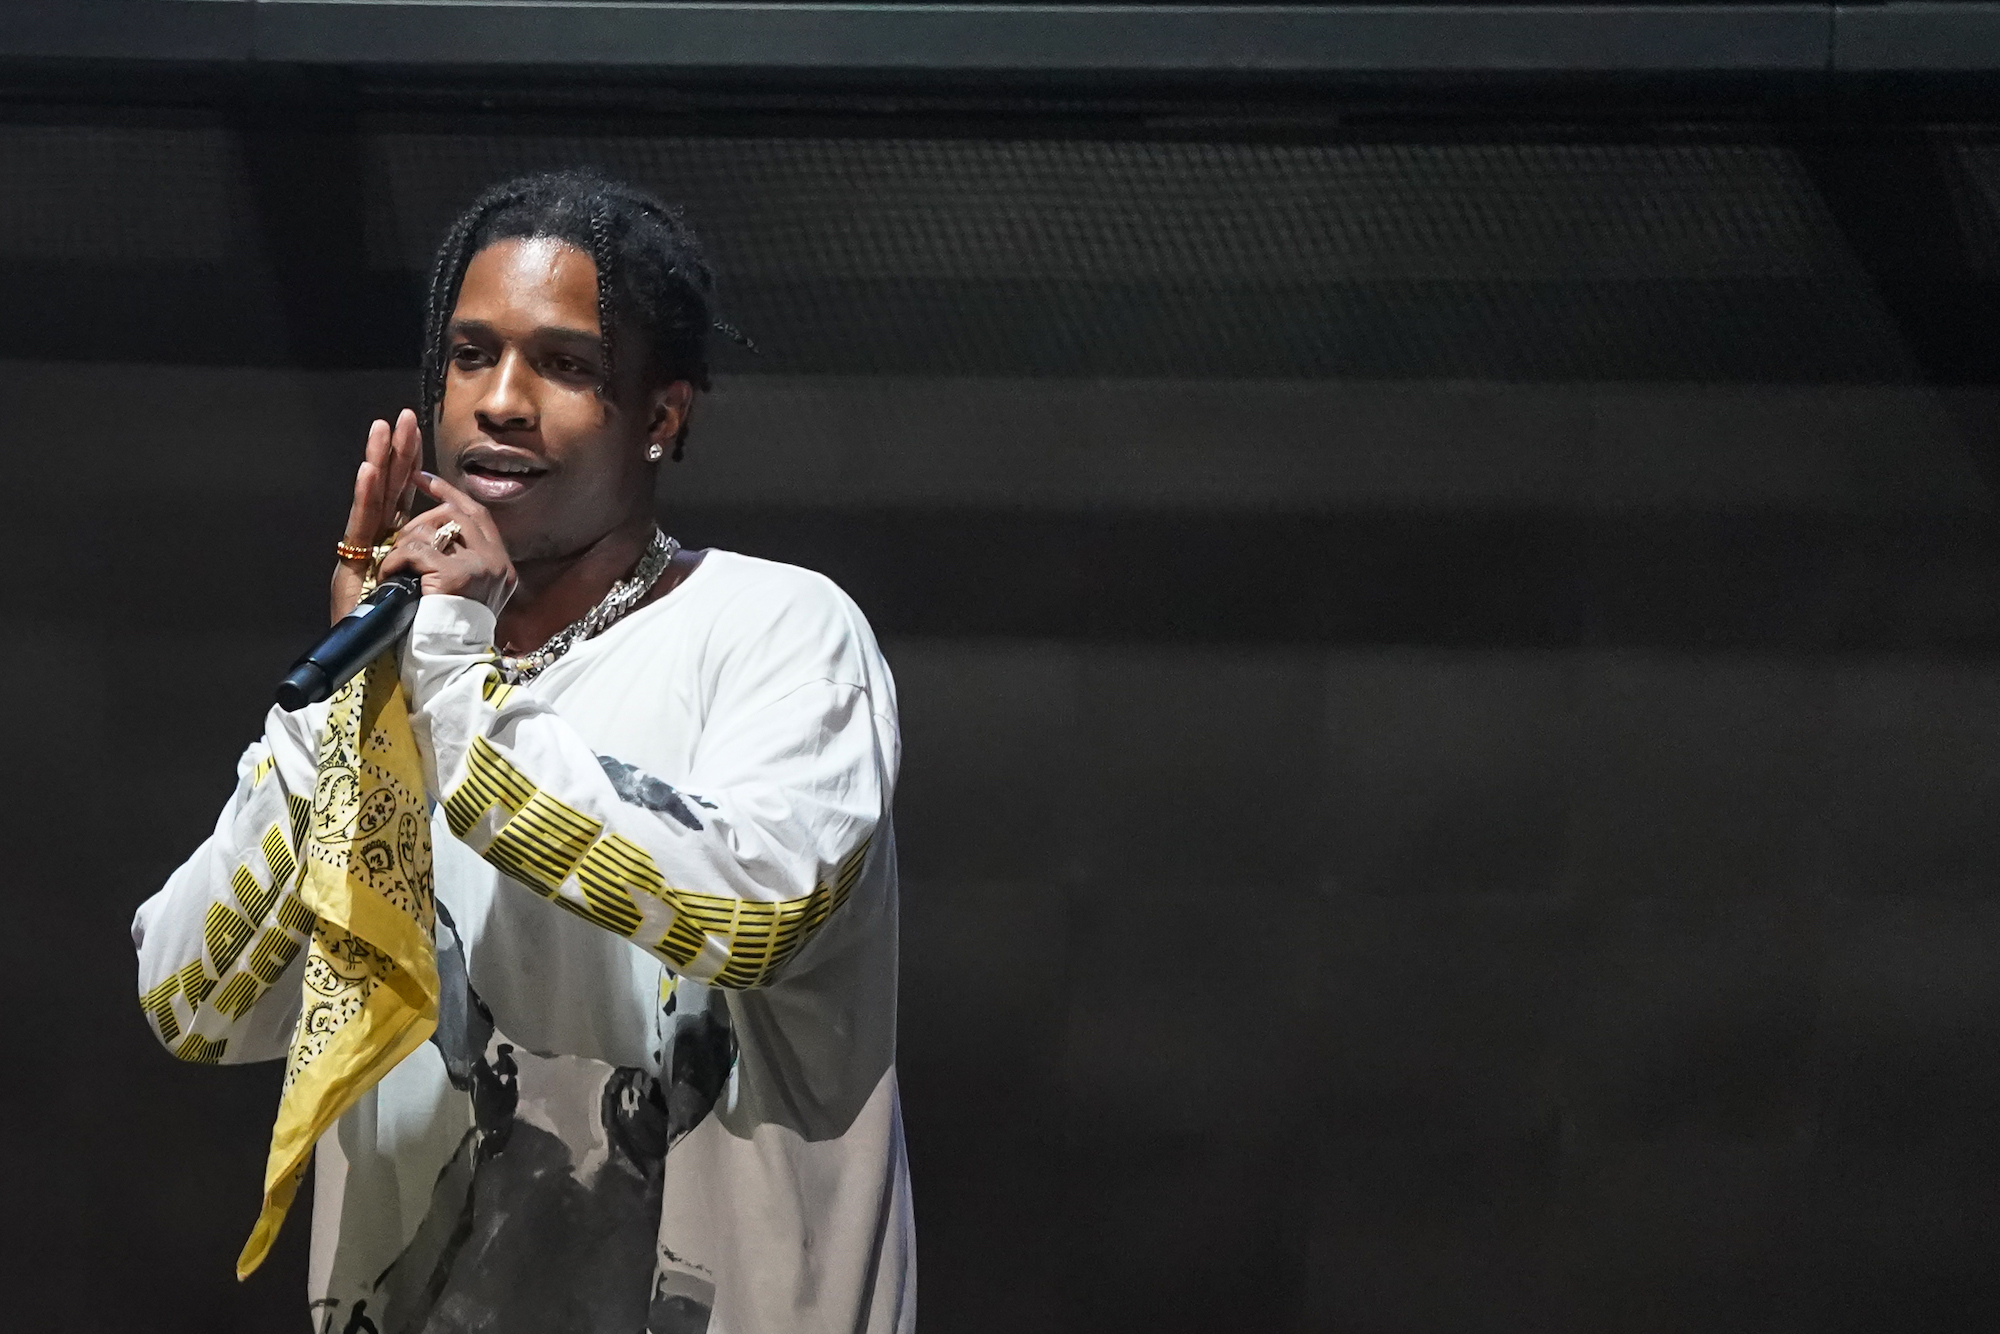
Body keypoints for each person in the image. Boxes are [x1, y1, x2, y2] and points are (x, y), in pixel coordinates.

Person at [130, 170, 912, 1334]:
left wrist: (452, 681)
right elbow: (191, 999)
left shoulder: (778, 628)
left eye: (565, 365)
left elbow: (752, 910)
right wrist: (350, 711)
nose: (500, 400)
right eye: (470, 354)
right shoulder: (397, 671)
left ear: (661, 416)